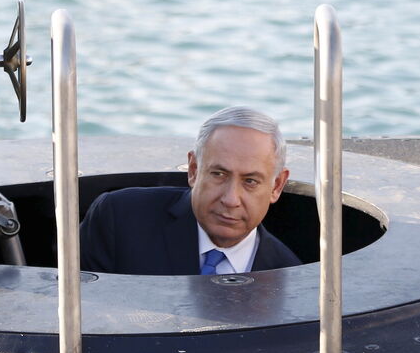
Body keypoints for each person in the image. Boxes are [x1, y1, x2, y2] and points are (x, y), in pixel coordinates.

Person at [79, 106, 300, 276]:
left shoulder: (289, 278)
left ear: (277, 186)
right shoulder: (119, 219)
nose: (231, 199)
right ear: (193, 170)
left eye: (250, 181)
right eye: (218, 174)